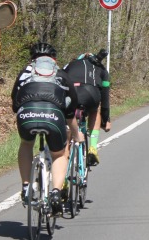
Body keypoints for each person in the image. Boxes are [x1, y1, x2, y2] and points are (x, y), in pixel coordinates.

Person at [11, 42, 81, 216]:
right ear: (54, 59)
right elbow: (71, 110)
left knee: (26, 144)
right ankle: (56, 192)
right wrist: (76, 134)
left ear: (32, 59)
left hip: (27, 113)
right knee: (58, 154)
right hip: (53, 114)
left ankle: (26, 186)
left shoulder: (24, 73)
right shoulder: (61, 74)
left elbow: (14, 102)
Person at [62, 49, 111, 166]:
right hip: (90, 93)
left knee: (68, 120)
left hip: (71, 93)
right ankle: (93, 147)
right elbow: (105, 97)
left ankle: (64, 158)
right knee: (95, 111)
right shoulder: (102, 70)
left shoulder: (70, 65)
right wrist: (106, 119)